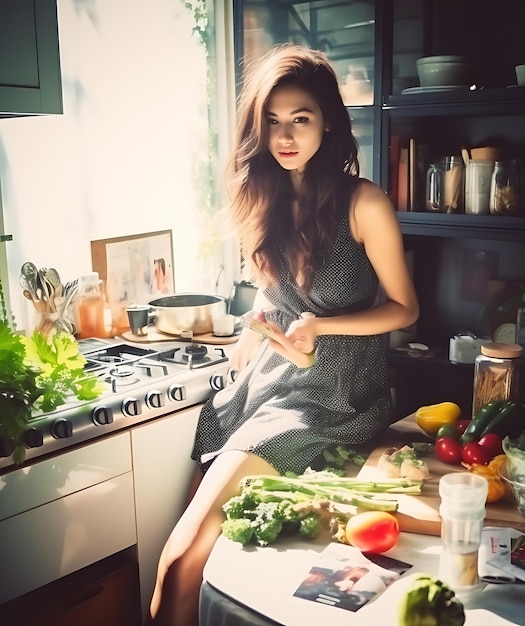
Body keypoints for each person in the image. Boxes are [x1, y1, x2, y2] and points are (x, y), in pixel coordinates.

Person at [145, 43, 419, 626]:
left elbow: (404, 308)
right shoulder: (264, 199)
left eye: (301, 118)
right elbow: (278, 292)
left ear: (329, 123)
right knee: (194, 565)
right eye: (272, 121)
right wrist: (263, 329)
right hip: (268, 383)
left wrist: (321, 326)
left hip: (330, 399)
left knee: (179, 564)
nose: (285, 135)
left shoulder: (363, 201)